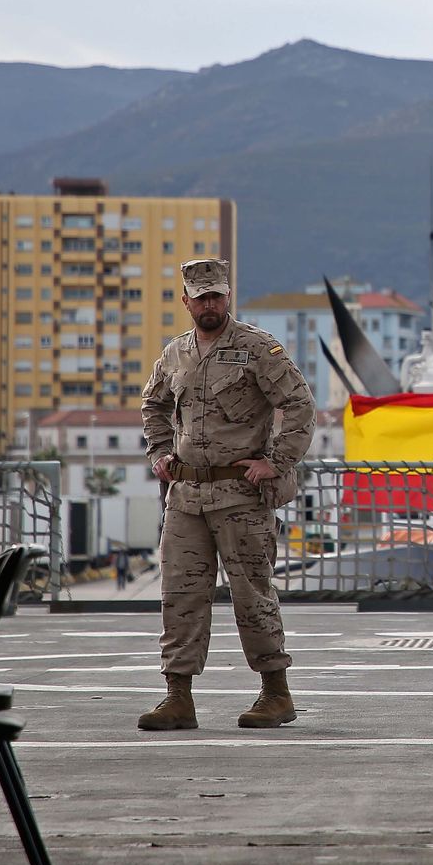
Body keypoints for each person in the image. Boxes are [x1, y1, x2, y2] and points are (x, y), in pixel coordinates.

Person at [137, 258, 316, 731]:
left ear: (227, 296)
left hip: (241, 496)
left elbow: (299, 406)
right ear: (186, 302)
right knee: (179, 596)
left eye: (216, 295)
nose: (209, 304)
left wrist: (274, 463)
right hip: (187, 497)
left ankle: (276, 694)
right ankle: (178, 698)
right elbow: (153, 404)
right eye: (201, 297)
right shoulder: (176, 354)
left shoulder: (257, 349)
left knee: (251, 595)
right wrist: (159, 452)